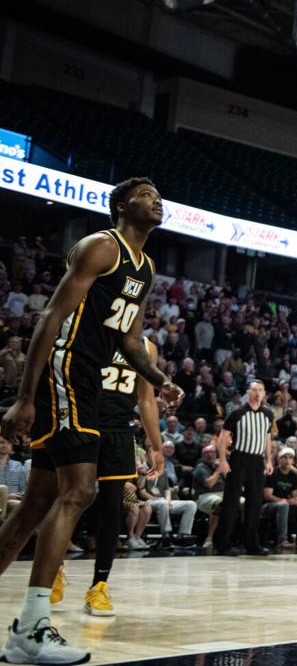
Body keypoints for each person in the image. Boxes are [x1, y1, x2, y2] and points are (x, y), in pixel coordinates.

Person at [0, 177, 180, 664]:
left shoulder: (146, 266)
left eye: (158, 195)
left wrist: (159, 379)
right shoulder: (102, 246)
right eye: (146, 195)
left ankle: (25, 633)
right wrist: (24, 398)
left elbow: (128, 340)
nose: (156, 200)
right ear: (122, 206)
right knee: (80, 491)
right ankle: (33, 627)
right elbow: (50, 317)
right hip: (67, 366)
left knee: (37, 502)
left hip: (90, 374)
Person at [57, 337, 167, 617]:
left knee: (112, 507)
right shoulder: (91, 328)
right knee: (69, 499)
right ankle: (53, 570)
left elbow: (146, 399)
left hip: (119, 430)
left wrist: (156, 445)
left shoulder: (147, 346)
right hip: (84, 422)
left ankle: (99, 586)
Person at [214, 380, 274, 555]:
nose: (257, 393)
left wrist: (269, 460)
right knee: (231, 502)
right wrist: (223, 459)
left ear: (264, 394)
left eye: (260, 390)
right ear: (248, 392)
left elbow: (267, 439)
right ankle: (223, 544)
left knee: (255, 503)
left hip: (257, 460)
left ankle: (251, 544)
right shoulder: (237, 413)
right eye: (254, 390)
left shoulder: (268, 414)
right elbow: (223, 438)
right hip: (239, 458)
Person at [263, 447, 297, 550]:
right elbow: (267, 496)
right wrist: (287, 501)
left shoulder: (293, 475)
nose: (287, 460)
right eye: (285, 457)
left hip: (285, 505)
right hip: (268, 506)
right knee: (284, 505)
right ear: (279, 460)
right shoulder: (273, 473)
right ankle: (282, 540)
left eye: (290, 458)